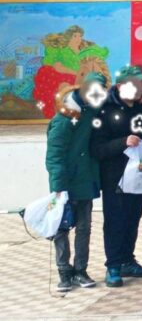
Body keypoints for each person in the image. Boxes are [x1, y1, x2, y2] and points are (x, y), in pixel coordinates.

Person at [89, 65, 142, 288]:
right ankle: (113, 265)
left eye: (141, 83)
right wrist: (123, 142)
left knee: (133, 219)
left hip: (139, 175)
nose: (140, 88)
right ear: (119, 86)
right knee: (115, 221)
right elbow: (97, 148)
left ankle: (128, 259)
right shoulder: (104, 110)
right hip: (115, 177)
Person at [45, 72, 107, 291]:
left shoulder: (92, 111)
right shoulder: (65, 117)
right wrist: (58, 187)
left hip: (85, 180)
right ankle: (64, 272)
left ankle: (81, 270)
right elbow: (54, 155)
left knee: (84, 228)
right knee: (61, 228)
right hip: (66, 183)